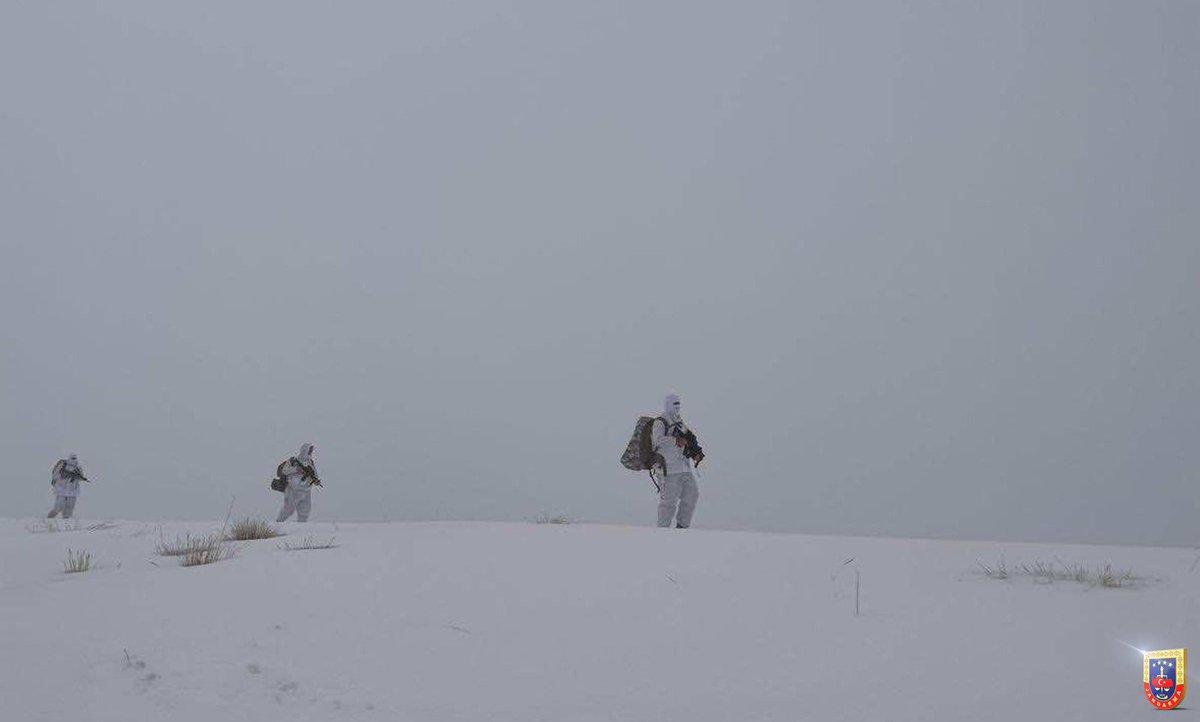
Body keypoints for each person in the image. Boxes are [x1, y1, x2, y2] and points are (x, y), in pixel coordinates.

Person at [652, 394, 704, 529]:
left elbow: (689, 438)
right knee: (668, 503)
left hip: (684, 468)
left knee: (692, 495)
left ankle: (682, 528)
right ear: (668, 404)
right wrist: (675, 440)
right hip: (668, 470)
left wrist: (696, 452)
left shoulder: (679, 422)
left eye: (678, 404)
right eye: (674, 404)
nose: (677, 407)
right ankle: (662, 531)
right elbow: (657, 440)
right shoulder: (660, 422)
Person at [275, 443, 321, 522]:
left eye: (311, 451)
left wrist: (316, 480)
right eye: (309, 450)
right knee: (288, 510)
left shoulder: (310, 462)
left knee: (304, 512)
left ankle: (301, 528)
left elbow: (314, 474)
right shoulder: (293, 461)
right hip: (293, 490)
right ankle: (278, 524)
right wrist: (296, 469)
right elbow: (284, 471)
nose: (310, 452)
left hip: (306, 491)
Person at [47, 453, 87, 519]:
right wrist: (65, 476)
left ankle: (66, 521)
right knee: (59, 505)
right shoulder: (62, 465)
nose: (73, 460)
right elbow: (55, 475)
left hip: (72, 489)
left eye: (75, 458)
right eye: (72, 458)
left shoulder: (78, 467)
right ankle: (49, 518)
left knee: (70, 507)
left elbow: (80, 476)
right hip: (61, 488)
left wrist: (77, 477)